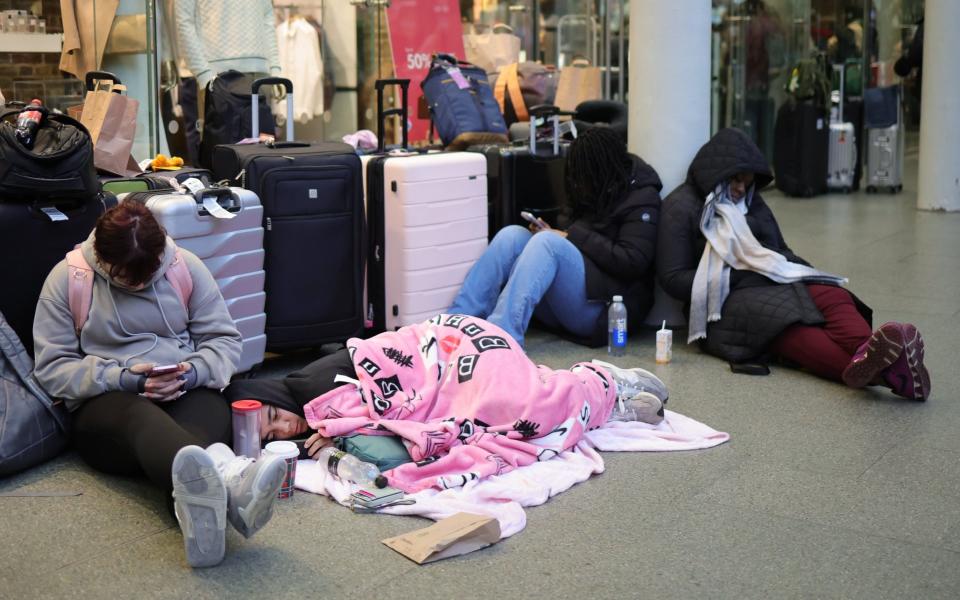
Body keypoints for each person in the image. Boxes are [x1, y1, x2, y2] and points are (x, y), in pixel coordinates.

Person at [32, 202, 286, 568]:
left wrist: (190, 372)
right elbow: (54, 369)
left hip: (185, 388)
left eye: (145, 275)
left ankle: (196, 513)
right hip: (109, 404)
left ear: (159, 256)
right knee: (141, 419)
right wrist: (126, 378)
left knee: (199, 432)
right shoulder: (68, 279)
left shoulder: (184, 266)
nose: (135, 284)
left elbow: (225, 343)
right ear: (102, 258)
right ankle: (230, 478)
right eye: (123, 276)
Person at [226, 314, 670, 492]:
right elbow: (389, 428)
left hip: (449, 352)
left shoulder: (313, 384)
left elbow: (391, 366)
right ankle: (595, 398)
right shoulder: (316, 432)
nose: (282, 428)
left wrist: (341, 430)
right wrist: (340, 440)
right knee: (507, 422)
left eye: (271, 415)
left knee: (521, 402)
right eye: (271, 435)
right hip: (445, 393)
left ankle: (602, 383)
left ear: (269, 394)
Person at [656, 128, 930, 401]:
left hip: (774, 277)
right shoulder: (680, 208)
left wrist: (805, 272)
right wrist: (738, 274)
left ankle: (870, 354)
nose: (741, 189)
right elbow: (673, 278)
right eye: (735, 180)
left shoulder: (751, 201)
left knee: (834, 295)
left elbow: (780, 249)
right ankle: (889, 371)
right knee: (786, 323)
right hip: (724, 302)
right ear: (714, 174)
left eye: (748, 181)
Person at [449, 127, 662, 347]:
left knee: (547, 243)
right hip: (569, 299)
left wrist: (569, 236)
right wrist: (553, 231)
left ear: (602, 170)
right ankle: (454, 322)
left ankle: (503, 338)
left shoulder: (642, 198)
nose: (579, 183)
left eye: (585, 176)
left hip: (604, 311)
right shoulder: (594, 187)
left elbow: (631, 262)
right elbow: (570, 232)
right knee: (511, 236)